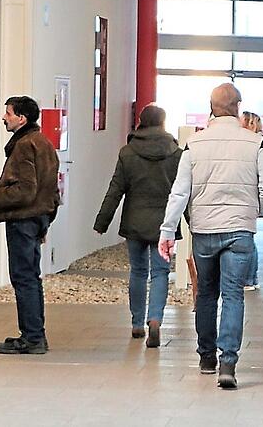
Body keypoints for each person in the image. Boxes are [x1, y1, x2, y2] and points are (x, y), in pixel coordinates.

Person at [159, 83, 263, 390]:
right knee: (234, 294)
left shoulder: (194, 144)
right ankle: (228, 363)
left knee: (207, 294)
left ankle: (207, 357)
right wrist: (255, 210)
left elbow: (180, 191)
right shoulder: (255, 143)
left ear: (210, 107)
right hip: (240, 229)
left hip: (205, 230)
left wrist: (167, 230)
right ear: (238, 107)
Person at [94, 104, 182, 347]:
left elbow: (116, 189)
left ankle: (136, 323)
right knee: (161, 272)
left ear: (141, 121)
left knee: (138, 271)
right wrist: (193, 221)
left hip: (135, 221)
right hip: (165, 223)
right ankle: (155, 319)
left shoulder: (128, 152)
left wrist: (102, 220)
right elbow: (183, 192)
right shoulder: (176, 153)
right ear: (163, 123)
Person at [0, 96, 60, 355]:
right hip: (38, 218)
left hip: (23, 219)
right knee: (31, 277)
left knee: (23, 277)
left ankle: (32, 338)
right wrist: (46, 220)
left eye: (8, 113)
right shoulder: (43, 143)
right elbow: (52, 189)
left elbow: (26, 189)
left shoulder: (24, 146)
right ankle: (34, 334)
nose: (4, 117)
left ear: (22, 118)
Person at [240, 111, 263, 291]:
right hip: (252, 195)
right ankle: (252, 278)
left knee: (248, 239)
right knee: (249, 237)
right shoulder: (260, 141)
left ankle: (250, 279)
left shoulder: (256, 143)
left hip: (249, 194)